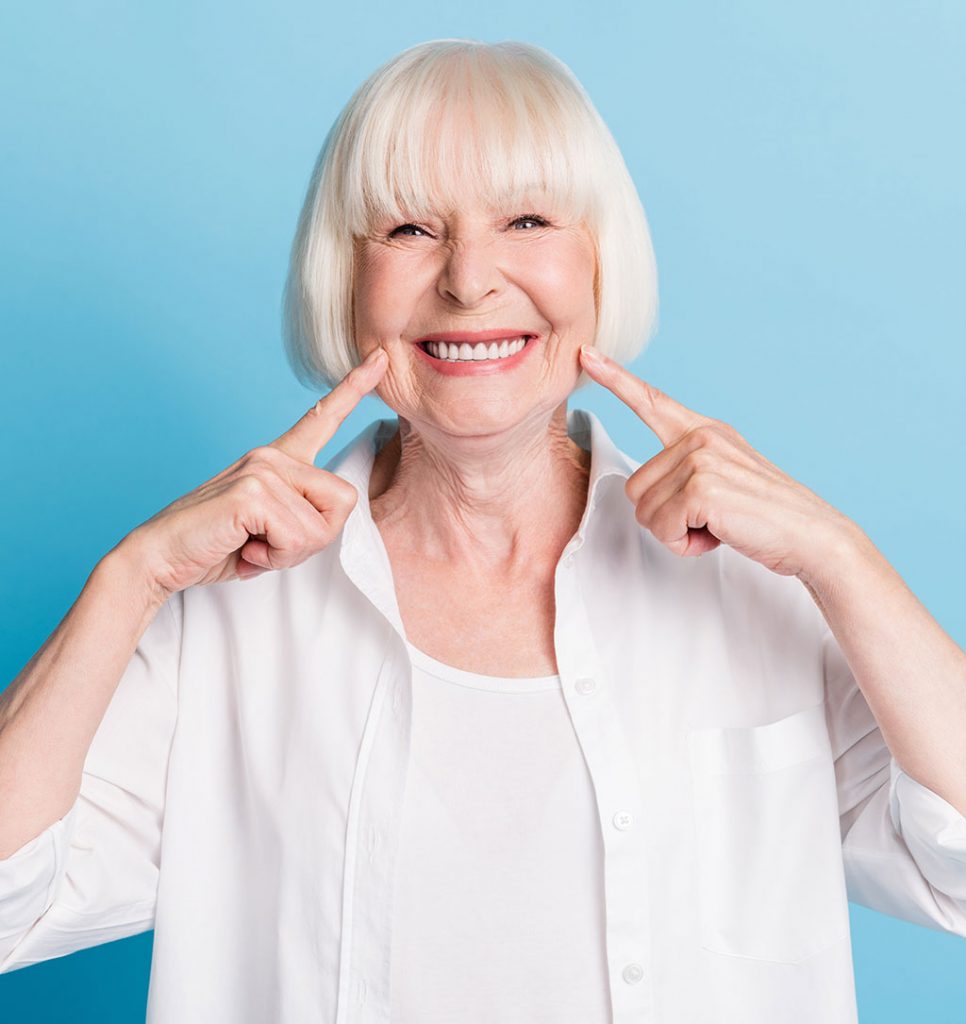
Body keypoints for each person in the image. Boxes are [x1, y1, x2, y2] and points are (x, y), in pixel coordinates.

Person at [1, 37, 964, 1024]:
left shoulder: (759, 591)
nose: (469, 280)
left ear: (599, 259)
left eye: (528, 219)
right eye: (412, 229)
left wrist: (841, 558)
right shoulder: (219, 623)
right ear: (346, 278)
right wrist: (127, 577)